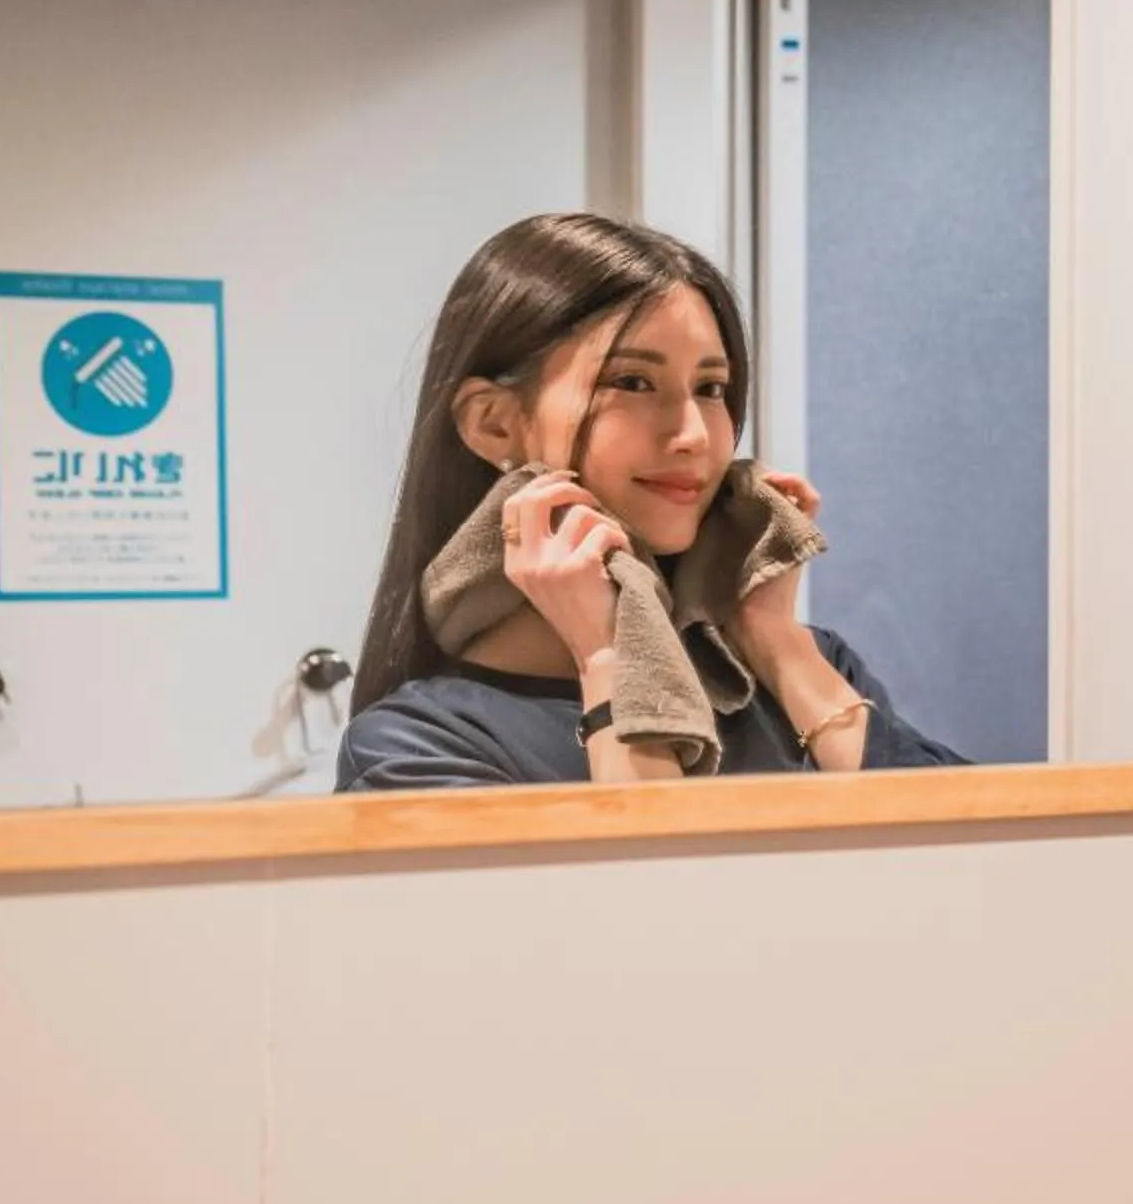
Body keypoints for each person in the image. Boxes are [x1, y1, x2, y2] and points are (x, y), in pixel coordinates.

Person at [339, 211, 964, 790]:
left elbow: (980, 868)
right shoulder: (414, 744)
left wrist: (777, 643)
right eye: (633, 382)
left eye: (712, 387)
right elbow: (659, 901)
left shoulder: (806, 667)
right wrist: (608, 656)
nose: (693, 434)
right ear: (494, 423)